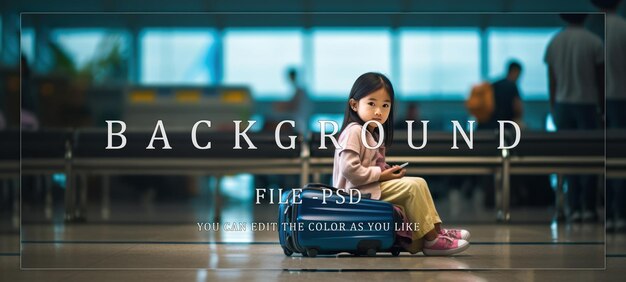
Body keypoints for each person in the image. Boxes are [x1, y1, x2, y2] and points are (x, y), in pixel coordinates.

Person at [332, 72, 470, 256]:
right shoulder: (354, 131)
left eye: (385, 105)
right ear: (354, 105)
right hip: (355, 194)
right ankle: (432, 240)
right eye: (372, 103)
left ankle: (435, 232)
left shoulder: (369, 133)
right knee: (413, 187)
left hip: (366, 187)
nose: (379, 111)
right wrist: (382, 175)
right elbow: (350, 169)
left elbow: (370, 167)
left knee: (418, 182)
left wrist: (388, 172)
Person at [544, 13, 604, 222]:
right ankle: (588, 207)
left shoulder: (555, 42)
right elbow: (600, 79)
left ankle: (572, 206)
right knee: (589, 158)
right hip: (587, 104)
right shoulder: (594, 41)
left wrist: (553, 106)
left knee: (567, 157)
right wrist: (602, 108)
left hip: (562, 104)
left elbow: (552, 79)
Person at [592, 0, 626, 231]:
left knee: (607, 159)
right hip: (622, 98)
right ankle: (620, 212)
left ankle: (608, 212)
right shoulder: (622, 27)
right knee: (621, 158)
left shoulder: (597, 31)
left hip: (605, 100)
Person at [478, 61, 524, 130]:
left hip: (485, 126)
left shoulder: (493, 85)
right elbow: (517, 107)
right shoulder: (512, 86)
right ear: (515, 71)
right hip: (503, 127)